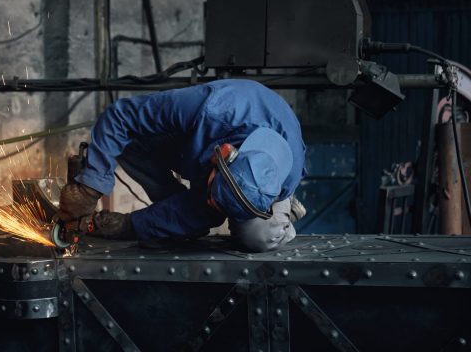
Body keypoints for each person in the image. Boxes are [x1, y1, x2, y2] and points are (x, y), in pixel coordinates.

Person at [56, 79, 307, 253]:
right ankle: (173, 216)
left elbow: (207, 212)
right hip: (205, 134)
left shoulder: (287, 176)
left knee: (256, 238)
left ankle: (284, 217)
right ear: (223, 155)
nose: (209, 204)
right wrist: (90, 187)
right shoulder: (208, 108)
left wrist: (130, 226)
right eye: (211, 197)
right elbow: (119, 117)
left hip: (262, 185)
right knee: (129, 139)